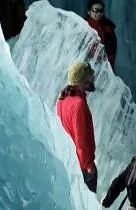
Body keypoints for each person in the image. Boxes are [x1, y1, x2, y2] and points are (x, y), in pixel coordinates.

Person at [57, 62, 98, 191]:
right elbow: (81, 140)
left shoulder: (61, 99)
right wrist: (89, 165)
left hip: (70, 163)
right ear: (83, 79)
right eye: (90, 75)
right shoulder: (79, 104)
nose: (93, 77)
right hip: (83, 168)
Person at [86, 0, 118, 70]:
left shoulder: (108, 28)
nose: (98, 13)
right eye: (95, 10)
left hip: (101, 68)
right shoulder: (82, 25)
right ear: (88, 11)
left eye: (101, 11)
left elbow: (111, 51)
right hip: (84, 67)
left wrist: (104, 67)